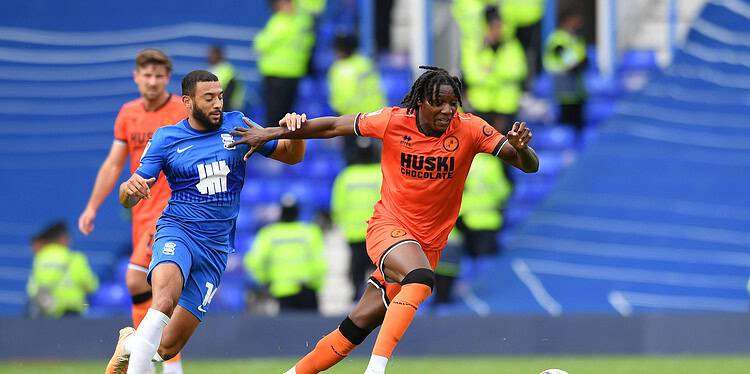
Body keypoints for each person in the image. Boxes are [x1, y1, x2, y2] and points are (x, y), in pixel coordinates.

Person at [229, 65, 539, 374]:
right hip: (389, 229)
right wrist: (276, 131)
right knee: (420, 279)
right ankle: (376, 369)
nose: (447, 110)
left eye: (453, 104)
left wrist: (524, 151)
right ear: (420, 103)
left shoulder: (470, 128)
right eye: (439, 103)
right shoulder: (392, 120)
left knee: (355, 327)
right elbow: (335, 125)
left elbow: (528, 164)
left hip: (428, 245)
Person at [104, 70, 305, 374]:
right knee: (164, 300)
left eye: (220, 96)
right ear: (188, 101)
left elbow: (292, 157)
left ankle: (131, 344)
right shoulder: (167, 138)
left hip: (215, 249)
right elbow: (129, 193)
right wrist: (127, 191)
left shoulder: (237, 125)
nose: (217, 104)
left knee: (166, 347)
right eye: (208, 98)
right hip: (178, 231)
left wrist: (295, 132)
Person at [77, 48, 187, 374]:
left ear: (168, 78)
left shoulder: (182, 110)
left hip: (171, 211)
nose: (152, 82)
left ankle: (154, 361)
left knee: (137, 279)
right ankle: (152, 359)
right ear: (136, 77)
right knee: (150, 292)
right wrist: (92, 206)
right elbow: (114, 164)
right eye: (146, 75)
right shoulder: (128, 113)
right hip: (140, 215)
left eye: (158, 76)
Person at [244, 195, 327, 313]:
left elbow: (254, 262)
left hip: (281, 292)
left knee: (286, 329)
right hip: (307, 290)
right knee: (311, 330)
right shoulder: (311, 232)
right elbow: (320, 264)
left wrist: (266, 281)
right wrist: (316, 285)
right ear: (298, 212)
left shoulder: (268, 234)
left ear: (281, 212)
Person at [461, 6, 527, 132]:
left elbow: (519, 71)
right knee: (480, 146)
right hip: (481, 104)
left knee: (505, 146)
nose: (498, 30)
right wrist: (500, 76)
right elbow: (471, 74)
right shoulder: (473, 46)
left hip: (506, 105)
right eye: (494, 26)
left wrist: (491, 72)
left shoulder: (511, 45)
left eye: (500, 26)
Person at [330, 138, 382, 300]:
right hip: (378, 232)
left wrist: (342, 223)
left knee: (356, 269)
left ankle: (356, 298)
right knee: (378, 268)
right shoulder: (381, 173)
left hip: (354, 231)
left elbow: (337, 206)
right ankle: (377, 299)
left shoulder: (346, 176)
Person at [328, 34, 386, 165]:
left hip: (352, 119)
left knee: (353, 157)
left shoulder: (341, 69)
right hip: (374, 116)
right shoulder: (365, 63)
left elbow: (344, 99)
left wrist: (338, 116)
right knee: (375, 157)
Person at [254, 0, 315, 123]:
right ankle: (273, 142)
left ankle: (283, 142)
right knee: (275, 116)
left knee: (287, 115)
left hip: (293, 73)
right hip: (277, 74)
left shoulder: (301, 20)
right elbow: (261, 45)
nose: (289, 5)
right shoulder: (279, 22)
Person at [27, 222, 98, 319]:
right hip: (71, 313)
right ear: (63, 239)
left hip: (47, 313)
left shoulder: (41, 257)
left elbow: (33, 287)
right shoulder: (75, 258)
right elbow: (91, 286)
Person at [543, 9, 587, 132]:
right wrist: (577, 64)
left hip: (577, 90)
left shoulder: (576, 38)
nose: (579, 24)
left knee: (578, 125)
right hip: (564, 89)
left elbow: (583, 62)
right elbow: (569, 60)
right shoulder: (558, 39)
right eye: (576, 20)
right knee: (565, 126)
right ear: (567, 21)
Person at [208, 45, 245, 112]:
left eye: (213, 54)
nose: (210, 56)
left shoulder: (225, 69)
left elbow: (220, 89)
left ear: (219, 55)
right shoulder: (216, 69)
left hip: (228, 105)